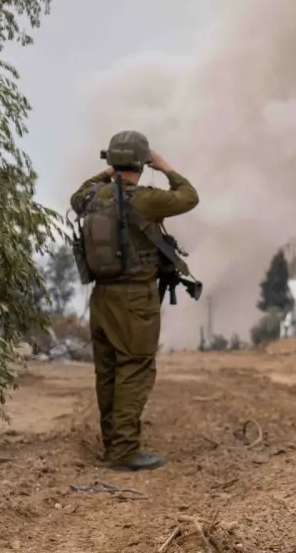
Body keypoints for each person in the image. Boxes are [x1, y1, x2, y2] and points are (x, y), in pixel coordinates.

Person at [70, 131, 199, 471]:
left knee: (108, 371)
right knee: (135, 368)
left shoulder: (92, 197)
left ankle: (113, 445)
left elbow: (77, 194)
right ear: (143, 164)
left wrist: (107, 172)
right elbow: (189, 197)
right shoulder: (145, 200)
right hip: (135, 299)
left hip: (101, 296)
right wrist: (164, 166)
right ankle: (124, 451)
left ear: (112, 162)